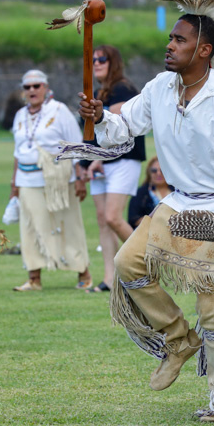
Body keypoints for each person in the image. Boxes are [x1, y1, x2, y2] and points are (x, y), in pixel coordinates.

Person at [70, 0, 214, 422]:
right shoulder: (161, 88)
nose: (170, 45)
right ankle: (176, 338)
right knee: (128, 263)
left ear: (203, 50)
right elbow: (124, 128)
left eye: (179, 40)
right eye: (170, 38)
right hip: (178, 201)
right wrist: (102, 116)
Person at [9, 69, 91, 292]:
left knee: (68, 224)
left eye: (37, 86)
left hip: (59, 178)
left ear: (45, 87)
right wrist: (14, 184)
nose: (32, 90)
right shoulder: (19, 116)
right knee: (31, 227)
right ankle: (34, 277)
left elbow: (75, 143)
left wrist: (81, 177)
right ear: (23, 91)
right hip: (27, 178)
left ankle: (83, 273)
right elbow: (18, 152)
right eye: (28, 87)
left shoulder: (59, 110)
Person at [83, 45, 145, 292]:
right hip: (100, 162)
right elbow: (91, 133)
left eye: (102, 59)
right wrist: (86, 162)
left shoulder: (123, 88)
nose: (96, 63)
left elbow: (118, 127)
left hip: (122, 159)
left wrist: (98, 159)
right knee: (102, 220)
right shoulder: (99, 91)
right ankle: (109, 278)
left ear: (114, 63)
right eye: (93, 59)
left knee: (113, 217)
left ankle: (143, 262)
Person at [127, 157, 172, 230]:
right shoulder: (141, 193)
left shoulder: (177, 192)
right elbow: (133, 219)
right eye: (154, 170)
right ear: (149, 172)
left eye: (162, 170)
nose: (158, 173)